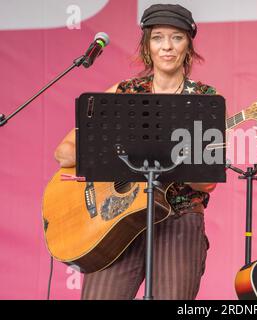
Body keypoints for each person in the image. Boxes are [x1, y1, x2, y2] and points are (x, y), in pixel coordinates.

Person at [54, 4, 218, 300]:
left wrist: (170, 158)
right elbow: (64, 153)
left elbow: (205, 183)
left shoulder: (204, 100)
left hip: (177, 217)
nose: (167, 46)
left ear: (188, 46)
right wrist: (127, 155)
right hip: (118, 219)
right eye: (157, 38)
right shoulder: (123, 93)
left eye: (177, 38)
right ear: (147, 46)